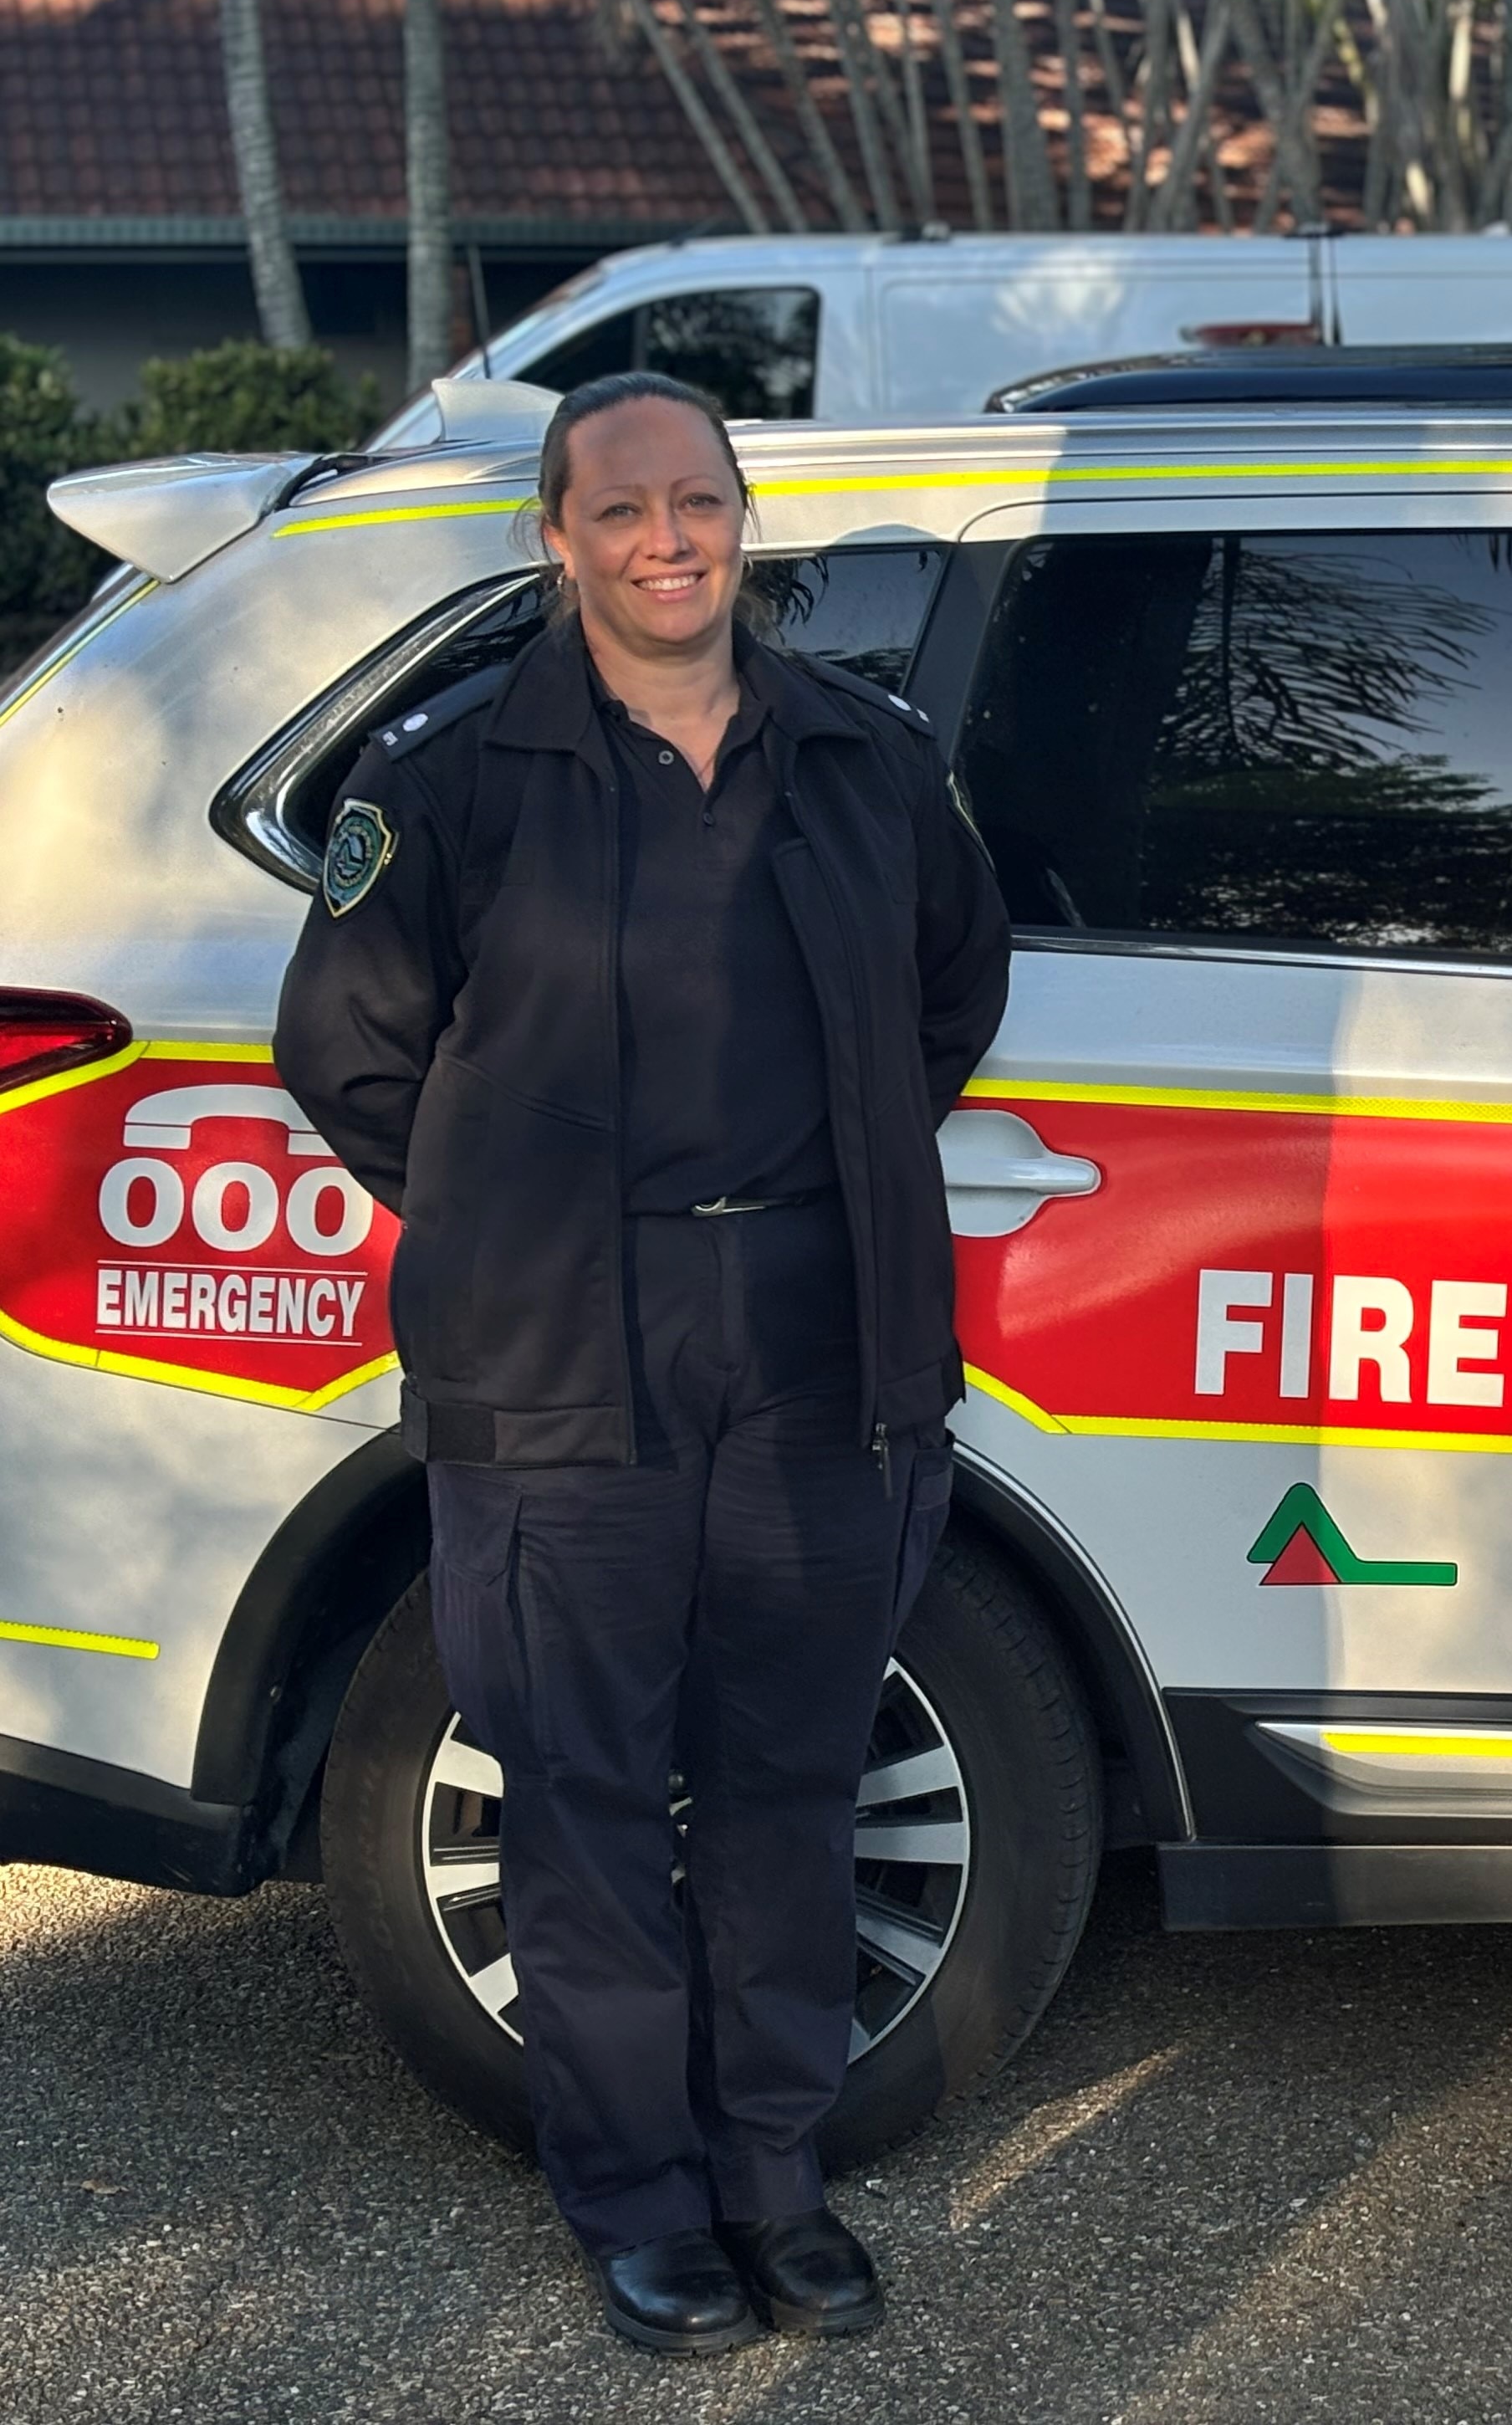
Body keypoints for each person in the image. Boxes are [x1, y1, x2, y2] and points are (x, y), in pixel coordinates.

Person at [276, 372, 1011, 2355]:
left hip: (820, 1339)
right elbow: (346, 1052)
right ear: (558, 539)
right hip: (558, 1353)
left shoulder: (864, 754)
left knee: (791, 1778)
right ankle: (637, 2199)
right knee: (587, 1788)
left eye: (696, 500)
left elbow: (954, 990)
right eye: (620, 509)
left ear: (739, 520)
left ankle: (773, 2175)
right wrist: (516, 1207)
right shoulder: (452, 780)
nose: (664, 539)